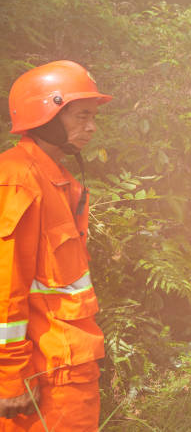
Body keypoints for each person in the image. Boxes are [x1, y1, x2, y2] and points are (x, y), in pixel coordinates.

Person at [0, 60, 112, 430]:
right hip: (44, 370)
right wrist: (9, 375)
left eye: (93, 116)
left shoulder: (58, 178)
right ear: (46, 113)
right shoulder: (17, 179)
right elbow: (6, 288)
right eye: (81, 116)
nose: (92, 127)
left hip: (67, 362)